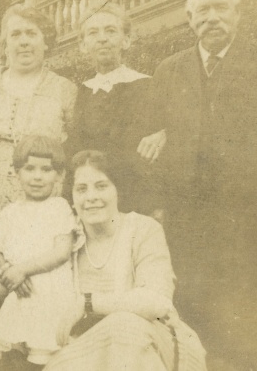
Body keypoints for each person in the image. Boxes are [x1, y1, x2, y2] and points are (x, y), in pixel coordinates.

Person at [144, 0, 257, 368]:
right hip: (189, 221)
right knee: (196, 313)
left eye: (221, 8)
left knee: (250, 315)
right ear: (189, 17)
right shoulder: (168, 71)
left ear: (237, 13)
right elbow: (156, 138)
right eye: (203, 10)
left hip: (252, 217)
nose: (212, 17)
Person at [45, 150, 207, 371]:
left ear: (118, 190)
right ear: (72, 197)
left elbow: (157, 301)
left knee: (125, 326)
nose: (91, 197)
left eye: (101, 186)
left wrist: (88, 303)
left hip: (147, 343)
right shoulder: (64, 242)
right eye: (81, 189)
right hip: (87, 352)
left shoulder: (143, 229)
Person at [0, 5, 77, 239]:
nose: (24, 41)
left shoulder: (64, 90)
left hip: (42, 204)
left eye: (31, 34)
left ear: (45, 42)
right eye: (15, 34)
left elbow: (74, 149)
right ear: (5, 44)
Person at [0, 135, 77, 367]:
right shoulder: (10, 212)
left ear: (59, 175)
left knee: (43, 357)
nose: (37, 176)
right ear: (17, 173)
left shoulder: (59, 207)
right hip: (19, 293)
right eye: (29, 168)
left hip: (50, 295)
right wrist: (10, 272)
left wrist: (23, 270)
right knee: (12, 356)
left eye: (46, 169)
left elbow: (62, 252)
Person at [68, 2, 160, 213]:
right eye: (93, 33)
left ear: (126, 40)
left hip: (135, 197)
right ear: (83, 45)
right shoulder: (83, 92)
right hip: (93, 199)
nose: (102, 38)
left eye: (110, 31)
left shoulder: (146, 85)